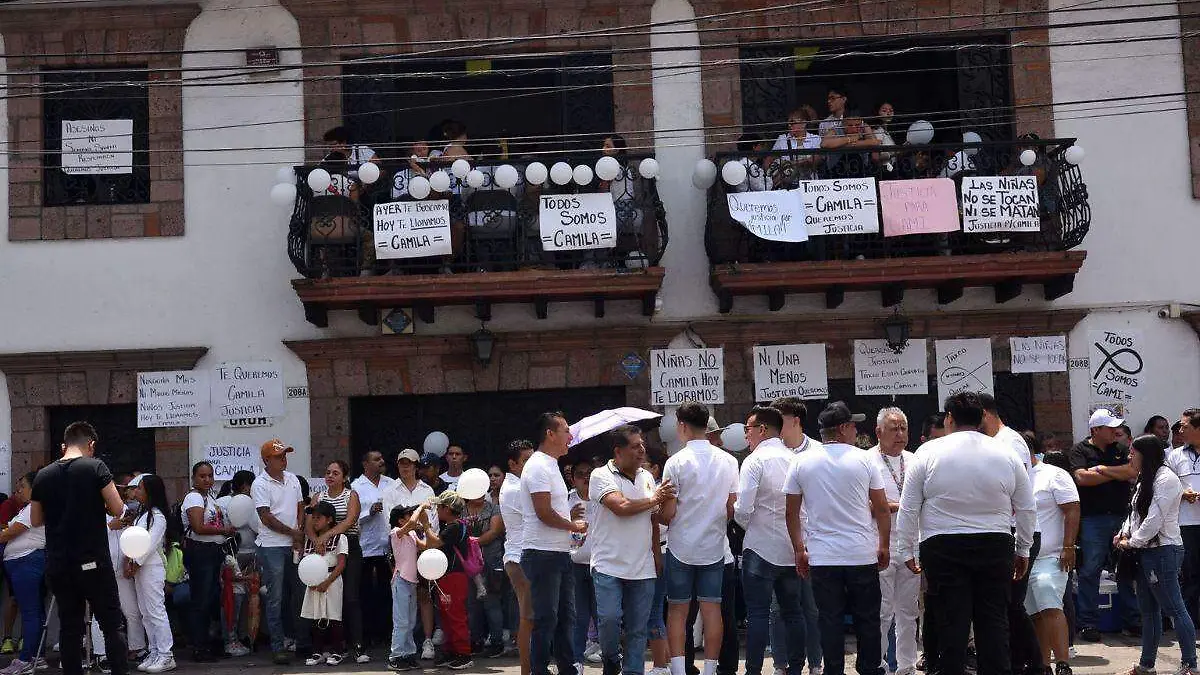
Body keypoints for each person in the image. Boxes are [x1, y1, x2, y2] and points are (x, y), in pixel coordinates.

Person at [896, 392, 1036, 675]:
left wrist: (906, 549)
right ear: (982, 417)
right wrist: (1023, 548)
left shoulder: (927, 452)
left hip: (942, 544)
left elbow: (909, 507)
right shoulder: (1006, 452)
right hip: (995, 542)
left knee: (951, 622)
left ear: (949, 419)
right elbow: (1026, 507)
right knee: (994, 621)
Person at [785, 401, 889, 675]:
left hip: (823, 555)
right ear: (843, 429)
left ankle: (833, 669)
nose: (856, 430)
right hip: (860, 552)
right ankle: (870, 668)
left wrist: (799, 550)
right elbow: (880, 507)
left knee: (829, 620)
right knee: (868, 619)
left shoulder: (801, 462)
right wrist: (884, 544)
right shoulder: (865, 459)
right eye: (853, 425)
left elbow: (791, 513)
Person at [30, 422, 130, 675]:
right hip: (92, 560)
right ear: (91, 445)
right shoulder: (95, 467)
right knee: (111, 625)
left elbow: (35, 520)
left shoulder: (43, 475)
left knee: (69, 628)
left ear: (64, 445)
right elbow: (118, 508)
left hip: (59, 562)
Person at [659, 402, 738, 675]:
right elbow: (731, 508)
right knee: (712, 609)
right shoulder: (729, 461)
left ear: (682, 426)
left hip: (681, 545)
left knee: (678, 611)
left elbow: (667, 513)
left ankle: (679, 670)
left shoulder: (675, 462)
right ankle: (710, 670)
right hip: (714, 546)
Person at [588, 426, 674, 675]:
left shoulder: (646, 477)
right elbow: (621, 506)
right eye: (635, 446)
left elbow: (653, 520)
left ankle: (633, 671)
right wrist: (656, 498)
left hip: (643, 565)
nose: (642, 450)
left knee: (638, 629)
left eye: (642, 444)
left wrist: (657, 556)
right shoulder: (600, 475)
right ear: (618, 451)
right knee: (610, 619)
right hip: (608, 564)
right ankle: (612, 659)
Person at [1116, 435, 1198, 675]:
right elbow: (1135, 514)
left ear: (1146, 454)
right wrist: (1123, 533)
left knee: (1175, 609)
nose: (1130, 457)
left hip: (1163, 552)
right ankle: (1146, 665)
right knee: (1149, 612)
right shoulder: (1145, 479)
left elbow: (1155, 518)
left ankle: (1190, 665)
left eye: (1133, 452)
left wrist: (1131, 542)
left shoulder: (1167, 479)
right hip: (1145, 551)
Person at [736, 406, 805, 675]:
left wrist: (750, 525)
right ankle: (796, 668)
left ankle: (753, 670)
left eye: (748, 430)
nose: (746, 437)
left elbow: (742, 509)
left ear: (762, 430)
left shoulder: (754, 461)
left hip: (759, 547)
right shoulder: (796, 460)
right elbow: (805, 509)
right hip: (791, 548)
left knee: (757, 615)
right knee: (793, 612)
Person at [978, 393, 1041, 673]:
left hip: (1018, 530)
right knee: (1007, 605)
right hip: (1009, 527)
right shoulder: (995, 441)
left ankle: (1036, 664)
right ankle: (1018, 662)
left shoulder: (1009, 442)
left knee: (1012, 604)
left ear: (985, 413)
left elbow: (1019, 490)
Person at [520, 413, 586, 675]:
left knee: (565, 618)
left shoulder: (551, 465)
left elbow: (550, 510)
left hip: (558, 553)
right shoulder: (537, 466)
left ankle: (567, 668)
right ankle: (539, 670)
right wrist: (573, 525)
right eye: (566, 431)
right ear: (550, 434)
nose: (570, 437)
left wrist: (571, 519)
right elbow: (543, 513)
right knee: (547, 619)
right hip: (542, 553)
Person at [1067, 409, 1140, 641]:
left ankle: (1132, 620)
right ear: (1095, 430)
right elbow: (1081, 478)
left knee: (1126, 569)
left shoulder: (1119, 449)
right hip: (1092, 519)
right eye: (1110, 428)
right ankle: (1088, 623)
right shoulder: (1079, 450)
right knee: (1090, 571)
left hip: (1120, 517)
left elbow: (1132, 472)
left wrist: (1101, 470)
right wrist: (1114, 473)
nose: (1115, 431)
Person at [771, 397, 822, 674]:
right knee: (778, 607)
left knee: (812, 608)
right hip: (779, 541)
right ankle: (781, 663)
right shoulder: (771, 452)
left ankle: (815, 662)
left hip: (813, 541)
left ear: (795, 421)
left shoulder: (817, 451)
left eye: (781, 419)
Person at [868, 408, 919, 675]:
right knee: (882, 611)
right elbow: (860, 504)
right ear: (878, 432)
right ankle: (879, 664)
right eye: (893, 429)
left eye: (903, 428)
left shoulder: (915, 460)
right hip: (881, 544)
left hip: (911, 545)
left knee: (908, 612)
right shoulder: (866, 461)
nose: (900, 435)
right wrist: (892, 506)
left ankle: (907, 665)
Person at [1025, 439, 1080, 675]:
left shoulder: (1053, 474)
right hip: (1022, 559)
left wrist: (1069, 547)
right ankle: (1043, 665)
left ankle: (1063, 664)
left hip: (1051, 556)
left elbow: (1072, 508)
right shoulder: (1009, 476)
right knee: (1034, 613)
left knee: (1050, 606)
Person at [251, 439, 306, 665]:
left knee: (300, 593)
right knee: (275, 597)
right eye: (278, 456)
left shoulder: (293, 479)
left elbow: (300, 507)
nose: (283, 459)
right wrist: (292, 533)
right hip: (272, 545)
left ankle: (301, 641)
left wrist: (299, 531)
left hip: (292, 543)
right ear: (266, 460)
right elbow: (266, 517)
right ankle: (277, 646)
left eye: (284, 455)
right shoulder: (260, 484)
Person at [382, 449, 438, 659]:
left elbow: (433, 523)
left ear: (416, 466)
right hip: (400, 550)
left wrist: (427, 540)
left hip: (422, 548)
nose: (404, 467)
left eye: (409, 463)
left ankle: (426, 642)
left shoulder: (427, 490)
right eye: (401, 463)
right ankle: (399, 652)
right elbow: (393, 522)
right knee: (402, 609)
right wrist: (416, 520)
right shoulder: (390, 490)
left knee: (423, 597)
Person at [310, 460, 366, 662]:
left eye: (335, 473)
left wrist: (326, 536)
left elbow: (349, 520)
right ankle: (330, 646)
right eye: (327, 472)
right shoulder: (318, 497)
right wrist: (317, 540)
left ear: (344, 477)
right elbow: (309, 524)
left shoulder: (351, 496)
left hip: (348, 546)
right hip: (323, 549)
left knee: (350, 597)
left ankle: (358, 645)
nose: (330, 476)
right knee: (325, 597)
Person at [179, 462, 235, 663]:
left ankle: (213, 644)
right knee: (201, 601)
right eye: (202, 476)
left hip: (214, 552)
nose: (207, 479)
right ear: (194, 478)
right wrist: (224, 531)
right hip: (200, 553)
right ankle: (199, 647)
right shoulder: (193, 497)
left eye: (210, 476)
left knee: (212, 600)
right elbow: (198, 527)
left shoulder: (210, 497)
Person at [126, 474, 179, 673]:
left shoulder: (157, 516)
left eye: (140, 488)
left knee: (156, 610)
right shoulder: (142, 514)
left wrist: (136, 562)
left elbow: (149, 543)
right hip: (141, 568)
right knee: (146, 612)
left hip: (152, 567)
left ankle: (166, 654)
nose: (136, 491)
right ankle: (154, 650)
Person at [420, 492, 474, 670]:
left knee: (455, 615)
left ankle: (464, 653)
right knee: (446, 615)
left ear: (448, 509)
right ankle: (450, 651)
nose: (437, 509)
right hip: (446, 576)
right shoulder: (451, 526)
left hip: (454, 577)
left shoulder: (454, 527)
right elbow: (431, 544)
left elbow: (434, 543)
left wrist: (426, 524)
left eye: (440, 506)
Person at [0, 472, 46, 675]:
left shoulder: (35, 508)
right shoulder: (28, 508)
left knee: (30, 612)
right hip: (23, 563)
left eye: (22, 487)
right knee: (33, 610)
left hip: (27, 562)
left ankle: (26, 658)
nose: (19, 491)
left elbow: (11, 532)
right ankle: (37, 656)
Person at [351, 450, 396, 653]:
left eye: (381, 458)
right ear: (365, 464)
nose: (381, 462)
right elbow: (351, 519)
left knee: (388, 592)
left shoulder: (391, 483)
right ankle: (368, 634)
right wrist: (368, 512)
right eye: (376, 460)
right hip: (366, 547)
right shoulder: (356, 487)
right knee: (366, 593)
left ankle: (387, 632)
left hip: (388, 546)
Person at [500, 440, 536, 675]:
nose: (531, 465)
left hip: (523, 556)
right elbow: (541, 515)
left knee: (533, 616)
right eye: (526, 461)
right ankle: (526, 670)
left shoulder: (522, 484)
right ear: (512, 464)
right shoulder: (514, 489)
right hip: (519, 557)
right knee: (528, 616)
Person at [300, 501, 349, 667]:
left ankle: (337, 651)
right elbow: (305, 562)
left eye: (318, 518)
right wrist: (310, 581)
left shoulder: (340, 537)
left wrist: (327, 582)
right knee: (316, 616)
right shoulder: (310, 540)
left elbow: (341, 563)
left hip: (332, 580)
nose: (314, 521)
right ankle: (317, 651)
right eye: (313, 518)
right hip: (313, 582)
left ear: (329, 519)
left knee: (333, 616)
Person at [218, 470, 259, 658]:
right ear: (245, 486)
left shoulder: (256, 503)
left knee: (249, 599)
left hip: (252, 557)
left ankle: (245, 636)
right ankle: (230, 639)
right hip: (229, 558)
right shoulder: (222, 503)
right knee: (232, 599)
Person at [462, 489, 505, 658]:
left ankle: (497, 642)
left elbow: (495, 531)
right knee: (472, 604)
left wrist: (474, 542)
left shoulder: (494, 509)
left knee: (492, 603)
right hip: (468, 563)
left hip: (490, 561)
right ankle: (476, 640)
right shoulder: (461, 510)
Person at [1169, 409, 1200, 629]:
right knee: (1189, 574)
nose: (1180, 431)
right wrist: (1182, 494)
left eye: (1184, 426)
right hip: (1186, 524)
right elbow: (1165, 486)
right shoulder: (1175, 455)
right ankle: (1190, 623)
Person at [567, 457, 598, 670]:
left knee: (604, 614)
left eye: (590, 473)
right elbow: (552, 525)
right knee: (578, 615)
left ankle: (613, 656)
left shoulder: (603, 498)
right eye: (580, 474)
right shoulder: (566, 499)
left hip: (600, 564)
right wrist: (568, 517)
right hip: (575, 564)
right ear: (573, 478)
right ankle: (576, 660)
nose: (585, 478)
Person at [388, 504, 423, 672]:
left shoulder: (412, 533)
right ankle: (396, 656)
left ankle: (408, 654)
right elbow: (410, 524)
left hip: (412, 581)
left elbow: (424, 546)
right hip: (400, 579)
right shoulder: (396, 532)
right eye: (408, 514)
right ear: (400, 520)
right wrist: (422, 507)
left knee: (411, 621)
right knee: (401, 621)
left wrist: (427, 526)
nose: (411, 516)